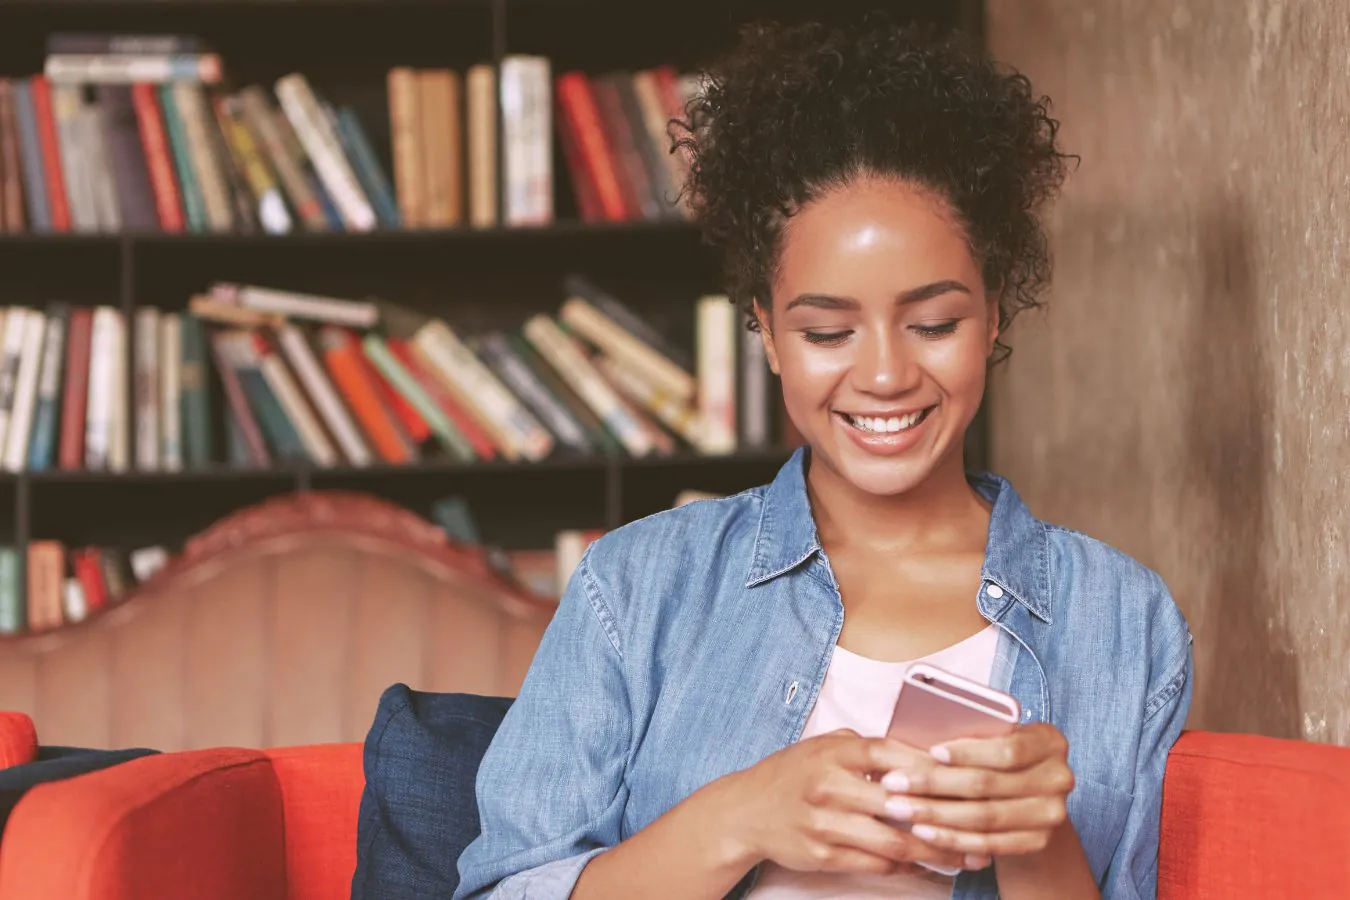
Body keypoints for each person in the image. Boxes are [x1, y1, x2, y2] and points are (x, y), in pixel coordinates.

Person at [454, 17, 1193, 900]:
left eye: (934, 323)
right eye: (827, 330)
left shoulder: (1120, 619)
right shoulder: (640, 588)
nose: (884, 374)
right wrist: (739, 818)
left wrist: (1035, 843)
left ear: (995, 313)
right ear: (765, 332)